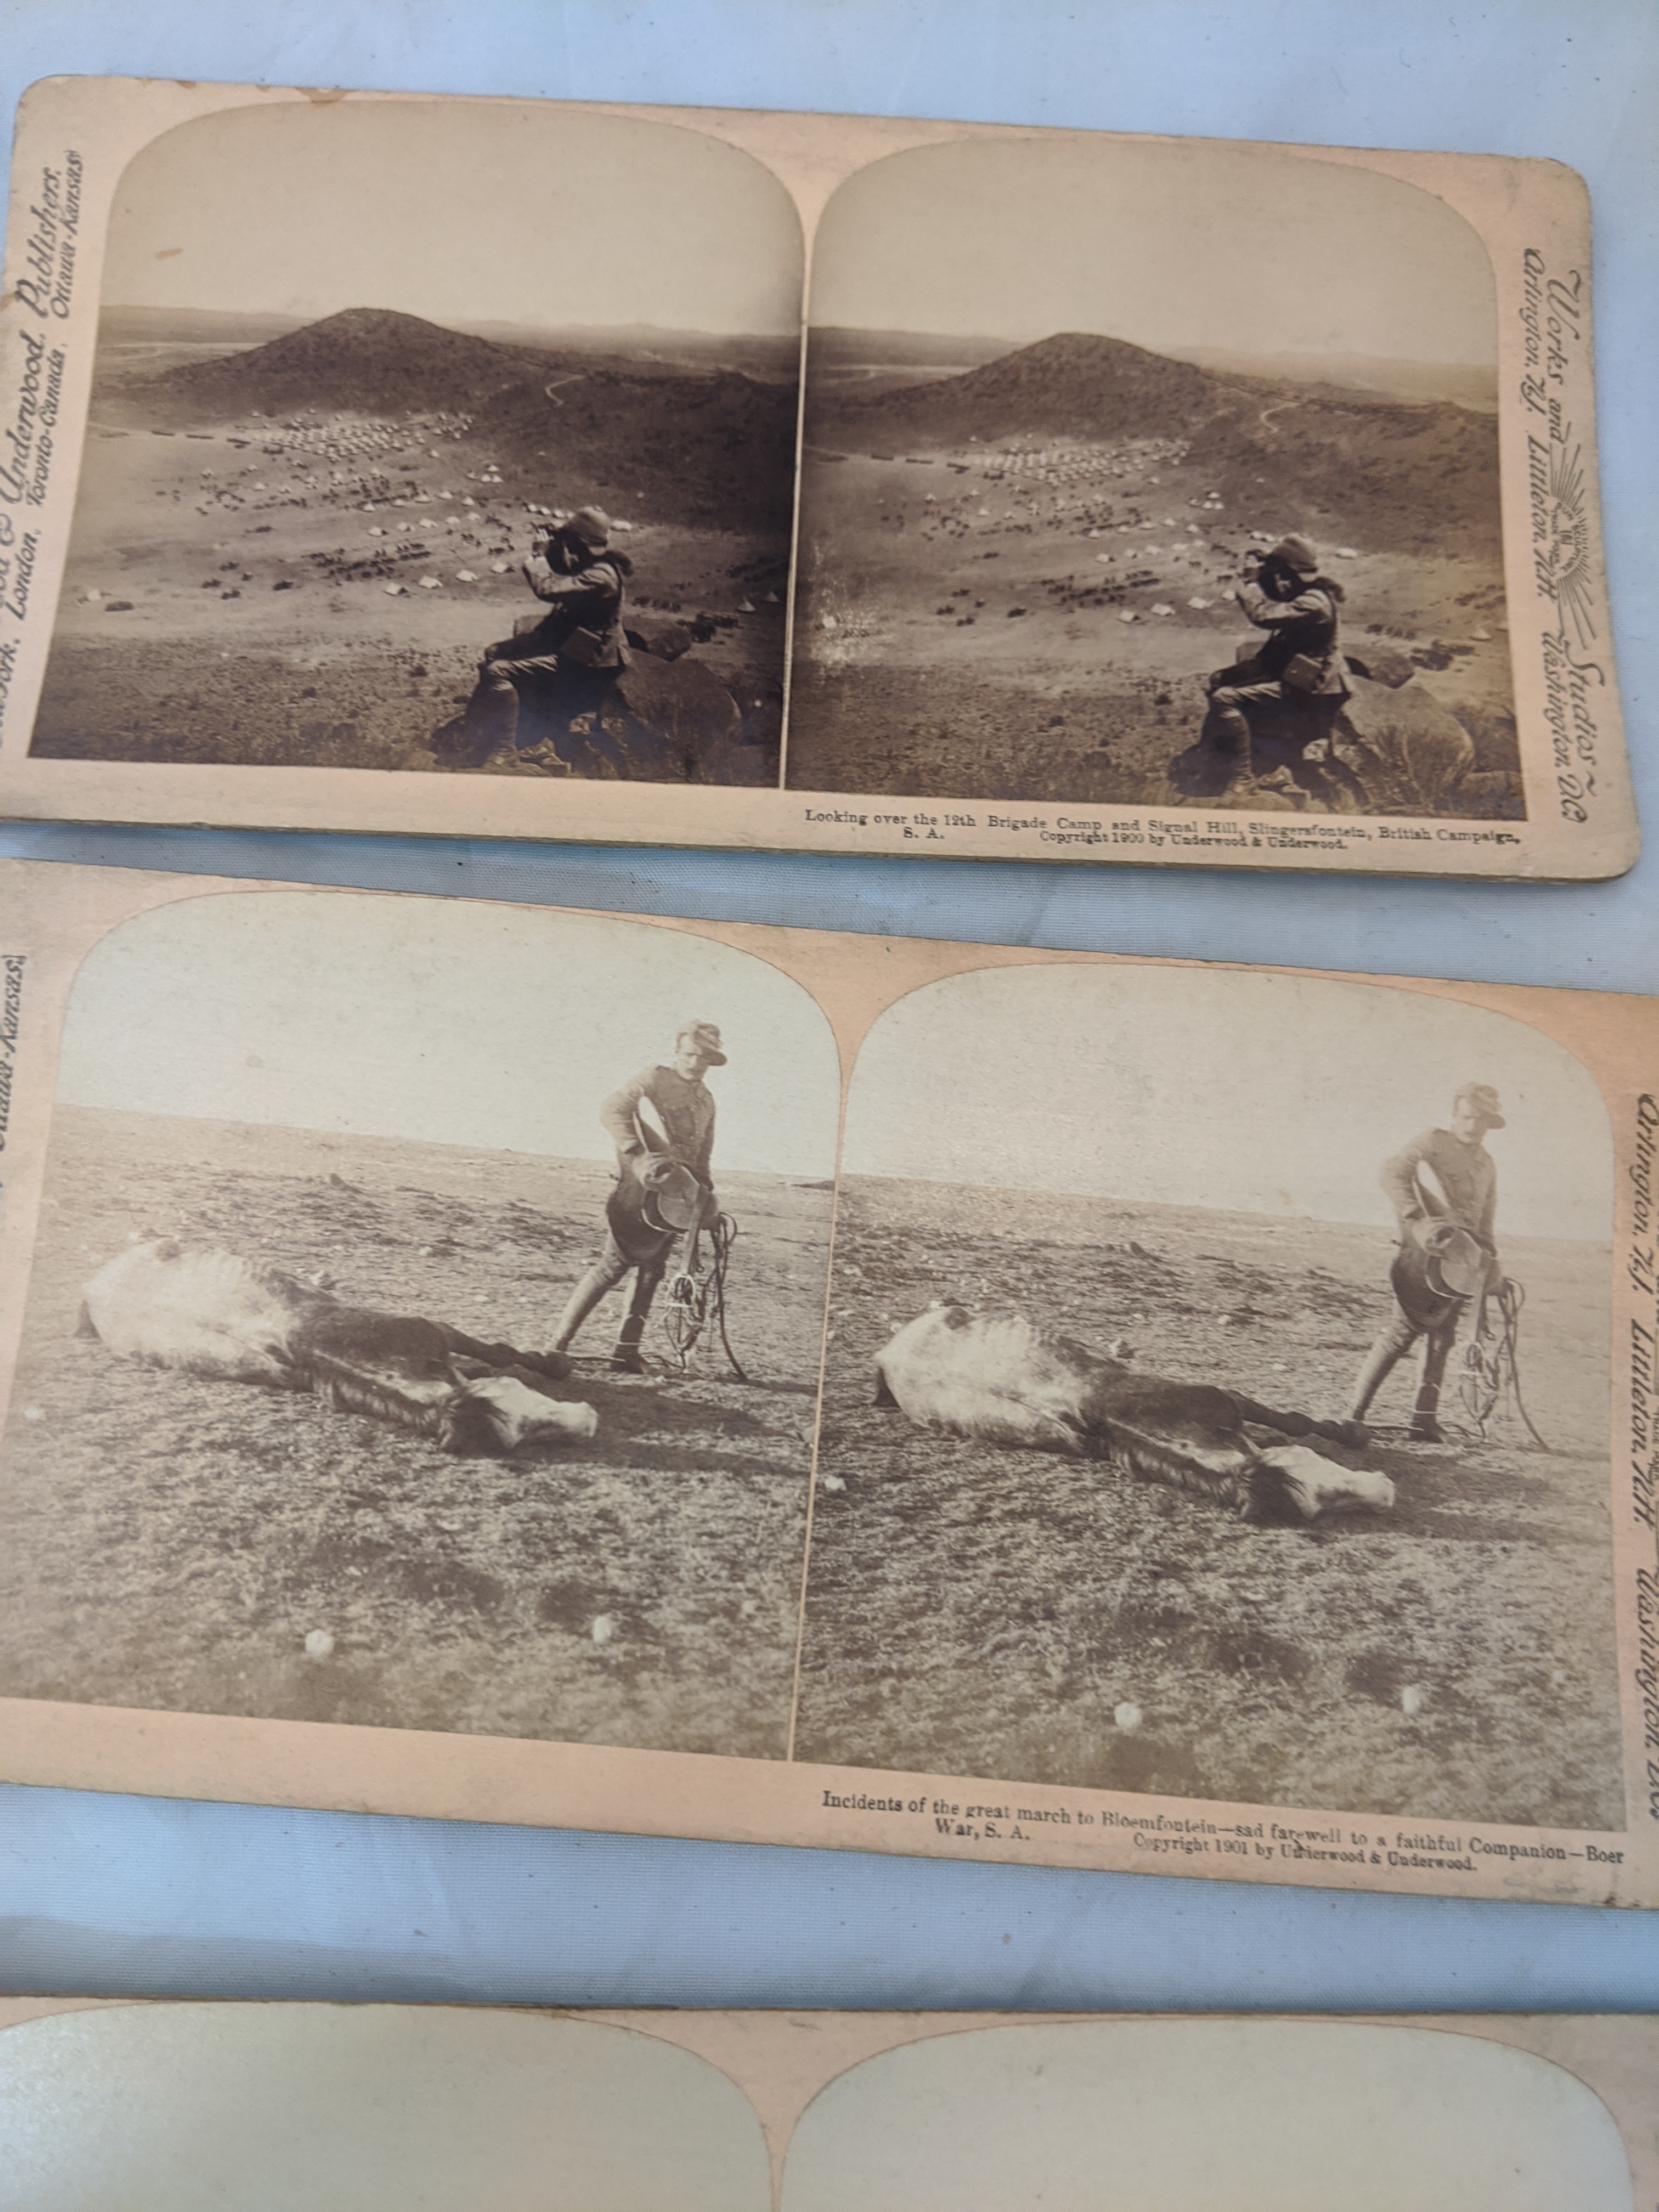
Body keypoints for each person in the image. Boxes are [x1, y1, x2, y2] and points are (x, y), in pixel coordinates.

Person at [550, 1021, 727, 1373]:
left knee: (653, 1270)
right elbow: (613, 1109)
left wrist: (702, 1194)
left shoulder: (707, 1101)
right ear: (678, 1051)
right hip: (639, 1192)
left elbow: (703, 1152)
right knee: (612, 1266)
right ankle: (555, 1347)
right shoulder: (654, 1078)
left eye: (703, 1058)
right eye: (690, 1054)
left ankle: (626, 1352)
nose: (695, 1063)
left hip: (674, 1203)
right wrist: (637, 1153)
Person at [1344, 1083, 1509, 1443]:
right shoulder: (1432, 1142)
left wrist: (1488, 1261)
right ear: (1455, 1115)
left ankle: (1423, 1420)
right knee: (1401, 1333)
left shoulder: (1487, 1164)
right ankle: (1352, 1416)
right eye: (1467, 1117)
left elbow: (1486, 1217)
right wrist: (1417, 1218)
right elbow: (1392, 1174)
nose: (1472, 1126)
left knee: (1443, 1337)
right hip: (1424, 1257)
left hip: (1461, 1265)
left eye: (1481, 1121)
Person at [462, 505, 632, 759]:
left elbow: (549, 589)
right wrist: (555, 546)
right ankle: (482, 724)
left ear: (578, 542)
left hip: (590, 660)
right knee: (494, 652)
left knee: (497, 671)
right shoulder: (594, 562)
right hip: (574, 645)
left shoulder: (602, 575)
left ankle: (505, 748)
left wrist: (538, 557)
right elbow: (565, 569)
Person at [1200, 532, 1351, 789]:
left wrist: (1249, 585)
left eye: (1279, 571)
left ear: (1289, 572)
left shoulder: (1313, 602)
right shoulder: (1308, 591)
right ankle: (1220, 752)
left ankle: (1243, 776)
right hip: (1298, 674)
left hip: (1312, 686)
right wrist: (1263, 575)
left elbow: (1263, 616)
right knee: (1219, 679)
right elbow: (1278, 597)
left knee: (1223, 697)